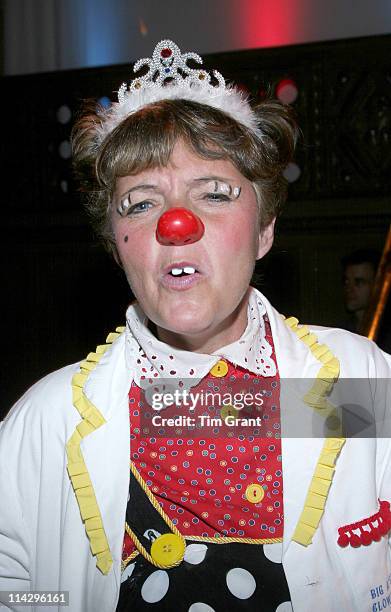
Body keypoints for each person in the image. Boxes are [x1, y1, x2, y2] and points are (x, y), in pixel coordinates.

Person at [0, 39, 390, 612]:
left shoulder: (353, 383)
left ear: (264, 231)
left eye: (213, 193)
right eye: (139, 203)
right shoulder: (50, 418)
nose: (176, 224)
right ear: (116, 246)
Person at [341, 249, 391, 352]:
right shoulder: (342, 331)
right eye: (346, 281)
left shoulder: (386, 335)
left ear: (377, 286)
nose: (349, 288)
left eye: (358, 282)